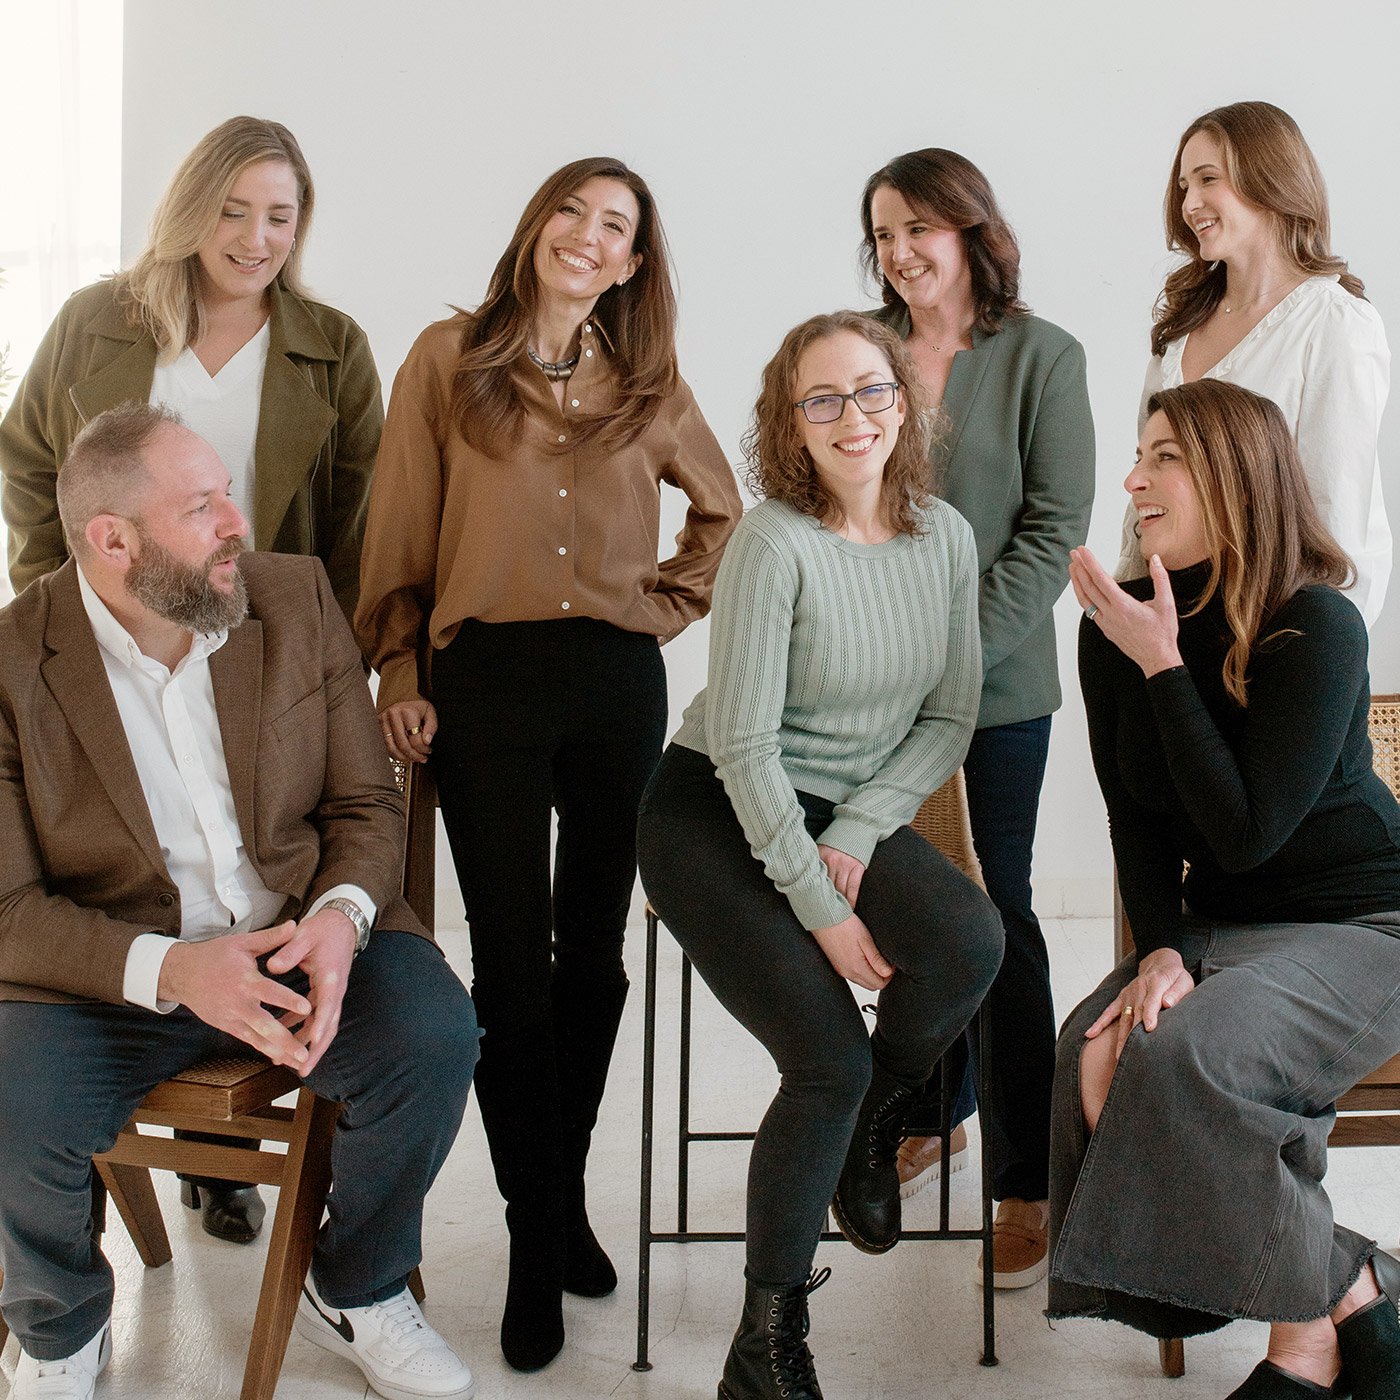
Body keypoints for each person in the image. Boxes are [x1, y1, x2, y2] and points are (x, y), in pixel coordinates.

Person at [0, 402, 478, 1400]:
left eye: (228, 491)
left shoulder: (292, 596)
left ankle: (359, 1284)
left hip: (301, 933)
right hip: (117, 973)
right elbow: (8, 907)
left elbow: (363, 801)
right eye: (201, 504)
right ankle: (58, 1329)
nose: (235, 524)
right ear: (112, 539)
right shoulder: (13, 662)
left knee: (433, 1034)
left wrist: (344, 919)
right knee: (11, 1095)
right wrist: (173, 969)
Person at [355, 156, 741, 1372]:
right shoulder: (446, 356)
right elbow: (400, 521)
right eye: (569, 210)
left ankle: (552, 1192)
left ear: (631, 261)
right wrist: (401, 670)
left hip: (614, 682)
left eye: (612, 224)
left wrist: (664, 609)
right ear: (535, 230)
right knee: (511, 961)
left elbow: (723, 513)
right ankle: (536, 1230)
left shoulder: (649, 381)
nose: (585, 234)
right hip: (488, 683)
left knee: (597, 953)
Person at [0, 116, 383, 1243]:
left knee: (242, 857)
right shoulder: (99, 323)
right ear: (191, 207)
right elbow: (31, 464)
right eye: (234, 208)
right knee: (139, 865)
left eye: (281, 214)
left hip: (252, 656)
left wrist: (327, 662)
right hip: (115, 641)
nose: (257, 236)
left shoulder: (331, 343)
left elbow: (357, 524)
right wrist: (63, 608)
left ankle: (224, 1163)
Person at [637, 311, 1003, 1400]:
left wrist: (852, 828)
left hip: (837, 804)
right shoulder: (772, 541)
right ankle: (765, 1344)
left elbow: (947, 718)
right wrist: (817, 904)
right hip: (710, 806)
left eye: (871, 390)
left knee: (968, 940)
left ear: (904, 398)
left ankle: (868, 1129)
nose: (854, 417)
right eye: (822, 400)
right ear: (789, 425)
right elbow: (745, 746)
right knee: (824, 1059)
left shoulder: (943, 536)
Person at [1050, 379, 1400, 1399]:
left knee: (1190, 1051)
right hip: (1228, 926)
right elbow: (1137, 819)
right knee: (1096, 1048)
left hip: (1363, 923)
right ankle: (1347, 1289)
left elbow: (1246, 833)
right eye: (1137, 454)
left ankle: (1299, 1350)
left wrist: (1162, 663)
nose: (1133, 479)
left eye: (1161, 456)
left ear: (1231, 472)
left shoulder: (1315, 623)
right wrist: (1158, 944)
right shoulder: (1109, 632)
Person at [860, 146, 1095, 1286]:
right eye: (884, 233)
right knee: (911, 907)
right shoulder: (855, 352)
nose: (902, 253)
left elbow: (1051, 529)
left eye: (920, 229)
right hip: (863, 690)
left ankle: (1023, 1177)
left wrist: (949, 657)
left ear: (969, 232)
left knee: (994, 911)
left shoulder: (1043, 356)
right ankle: (927, 1104)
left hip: (996, 695)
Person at [1117, 100, 1391, 627]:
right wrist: (1127, 601)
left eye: (1207, 179)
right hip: (1175, 627)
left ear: (1270, 180)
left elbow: (1338, 519)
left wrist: (1314, 653)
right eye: (1183, 187)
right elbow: (1145, 492)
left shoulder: (1333, 324)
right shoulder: (1177, 332)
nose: (1190, 203)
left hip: (1276, 633)